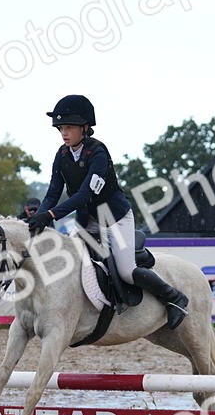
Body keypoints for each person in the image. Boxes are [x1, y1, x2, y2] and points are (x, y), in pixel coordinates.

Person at [28, 94, 188, 329]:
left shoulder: (98, 153)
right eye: (61, 128)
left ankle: (174, 299)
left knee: (125, 270)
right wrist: (39, 218)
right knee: (69, 264)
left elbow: (84, 195)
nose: (63, 133)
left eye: (69, 127)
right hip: (87, 221)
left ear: (85, 127)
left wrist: (51, 215)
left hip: (114, 218)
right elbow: (52, 193)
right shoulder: (61, 156)